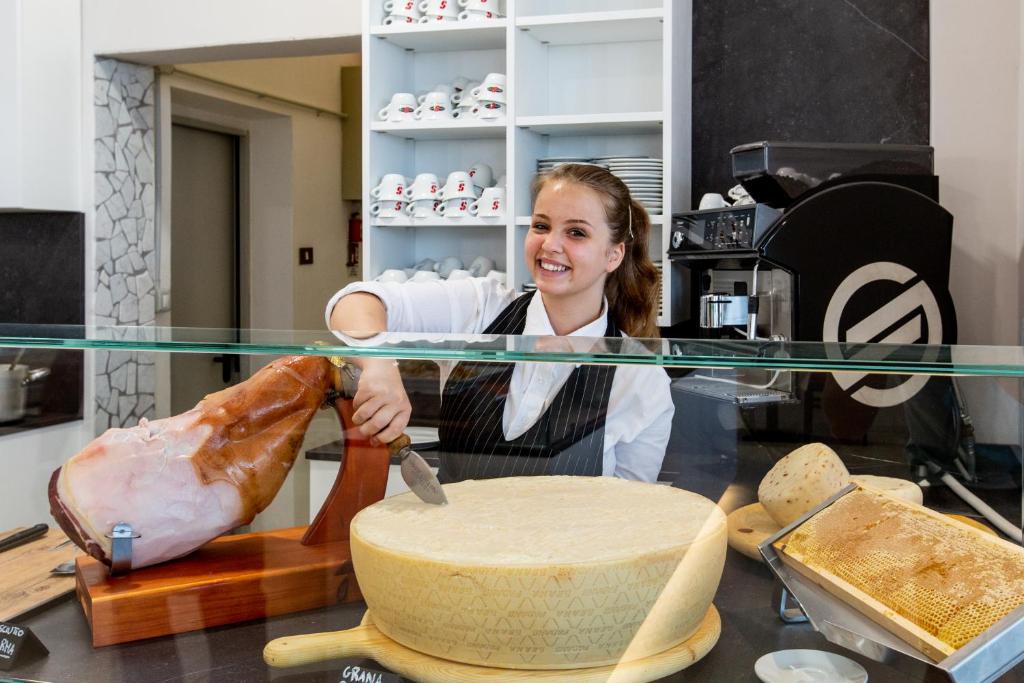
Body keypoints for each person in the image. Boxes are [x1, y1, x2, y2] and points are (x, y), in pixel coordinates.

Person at [326, 163, 674, 483]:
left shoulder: (640, 376)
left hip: (564, 551)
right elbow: (353, 302)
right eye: (541, 226)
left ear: (613, 255)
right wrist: (378, 364)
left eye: (577, 233)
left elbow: (627, 515)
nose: (550, 245)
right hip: (450, 544)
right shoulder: (482, 307)